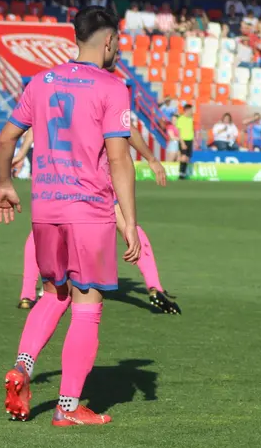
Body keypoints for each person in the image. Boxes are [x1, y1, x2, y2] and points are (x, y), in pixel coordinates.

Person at [0, 7, 138, 426]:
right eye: (117, 42)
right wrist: (129, 220)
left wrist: (4, 185)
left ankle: (22, 366)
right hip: (88, 210)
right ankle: (68, 408)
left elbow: (5, 139)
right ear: (108, 41)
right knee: (87, 303)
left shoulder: (40, 82)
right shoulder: (113, 87)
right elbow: (119, 158)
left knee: (53, 293)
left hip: (45, 208)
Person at [11, 126, 181, 315]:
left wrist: (22, 152)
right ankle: (154, 286)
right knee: (128, 227)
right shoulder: (100, 106)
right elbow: (126, 128)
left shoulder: (54, 106)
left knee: (42, 233)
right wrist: (151, 159)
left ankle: (27, 294)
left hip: (60, 177)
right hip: (94, 177)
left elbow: (34, 126)